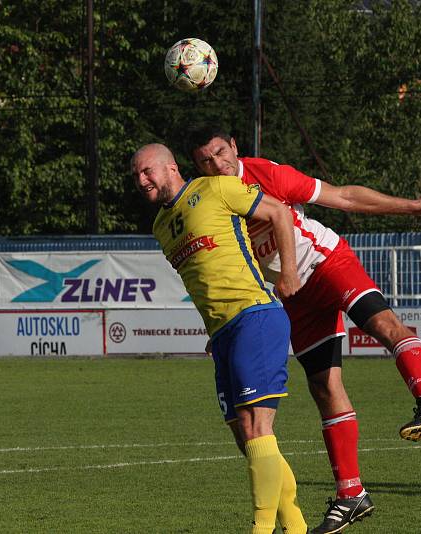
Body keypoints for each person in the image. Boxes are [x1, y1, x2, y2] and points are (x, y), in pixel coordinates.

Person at [185, 125, 421, 534]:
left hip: (326, 263)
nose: (217, 164)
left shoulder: (265, 175)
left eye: (221, 153)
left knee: (384, 324)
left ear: (235, 148)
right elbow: (219, 266)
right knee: (324, 388)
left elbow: (343, 195)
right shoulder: (208, 197)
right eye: (206, 160)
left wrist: (411, 206)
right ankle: (352, 495)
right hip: (292, 296)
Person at [131, 143, 308, 534]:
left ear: (171, 167)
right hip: (223, 332)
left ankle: (261, 528)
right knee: (246, 436)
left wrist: (289, 273)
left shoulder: (215, 188)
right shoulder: (161, 226)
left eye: (148, 171)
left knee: (256, 425)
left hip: (255, 315)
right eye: (137, 175)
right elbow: (202, 279)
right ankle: (295, 525)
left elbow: (279, 211)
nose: (142, 180)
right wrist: (214, 330)